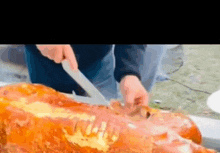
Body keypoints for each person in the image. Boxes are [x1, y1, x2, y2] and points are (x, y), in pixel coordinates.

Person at [24, 44, 167, 110]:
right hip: (46, 63)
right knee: (47, 113)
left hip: (98, 59)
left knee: (103, 114)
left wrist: (129, 73)